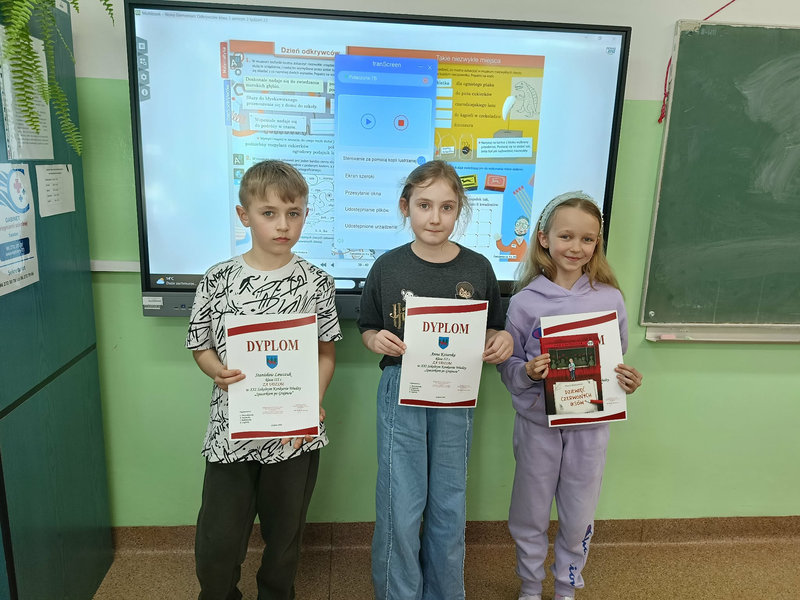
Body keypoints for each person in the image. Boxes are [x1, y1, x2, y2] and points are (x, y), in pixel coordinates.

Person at [186, 160, 342, 600]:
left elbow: (325, 353)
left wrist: (311, 402)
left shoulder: (317, 282)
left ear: (306, 215)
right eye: (269, 213)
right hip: (231, 432)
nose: (283, 225)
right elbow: (201, 347)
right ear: (244, 215)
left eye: (294, 213)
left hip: (294, 434)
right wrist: (215, 371)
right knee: (218, 539)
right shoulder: (217, 279)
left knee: (285, 536)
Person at [358, 160, 513, 600]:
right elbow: (368, 327)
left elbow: (494, 327)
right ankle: (399, 593)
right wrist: (375, 340)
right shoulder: (387, 267)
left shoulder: (478, 268)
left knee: (448, 499)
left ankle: (446, 593)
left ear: (459, 210)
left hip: (455, 393)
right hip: (401, 390)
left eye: (447, 207)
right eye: (424, 205)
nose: (434, 217)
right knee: (400, 501)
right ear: (405, 207)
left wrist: (500, 340)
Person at [497, 191, 643, 600]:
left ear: (597, 243)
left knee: (578, 514)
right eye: (566, 236)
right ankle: (530, 586)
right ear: (544, 238)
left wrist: (626, 380)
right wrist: (527, 371)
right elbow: (508, 367)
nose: (576, 247)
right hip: (538, 426)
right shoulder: (525, 302)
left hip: (589, 427)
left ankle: (566, 587)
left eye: (587, 239)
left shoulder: (610, 298)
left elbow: (614, 359)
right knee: (529, 512)